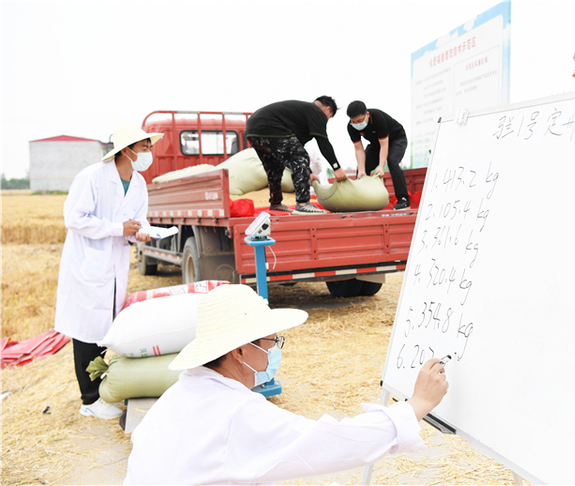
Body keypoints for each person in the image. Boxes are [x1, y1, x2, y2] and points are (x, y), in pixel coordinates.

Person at [123, 284, 449, 485]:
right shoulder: (236, 413)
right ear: (238, 351)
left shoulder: (179, 394)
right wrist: (415, 406)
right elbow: (331, 442)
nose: (272, 350)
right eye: (269, 341)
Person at [54, 124, 162, 420]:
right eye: (144, 147)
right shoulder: (92, 177)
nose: (149, 153)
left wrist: (140, 234)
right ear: (126, 150)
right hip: (88, 263)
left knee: (104, 330)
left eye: (150, 147)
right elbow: (74, 219)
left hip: (113, 265)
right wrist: (118, 229)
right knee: (87, 331)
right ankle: (89, 401)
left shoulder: (138, 183)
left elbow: (137, 221)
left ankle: (102, 391)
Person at [245, 96, 349, 214]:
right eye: (329, 117)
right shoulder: (317, 112)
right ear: (327, 109)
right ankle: (303, 203)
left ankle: (275, 202)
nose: (326, 121)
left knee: (275, 166)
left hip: (252, 130)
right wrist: (337, 168)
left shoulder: (301, 115)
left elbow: (294, 149)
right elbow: (323, 142)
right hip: (271, 127)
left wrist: (309, 172)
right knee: (301, 157)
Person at [347, 100, 411, 210]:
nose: (357, 124)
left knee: (392, 161)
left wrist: (381, 167)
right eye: (354, 121)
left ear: (367, 114)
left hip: (396, 139)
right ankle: (362, 200)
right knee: (363, 167)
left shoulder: (377, 118)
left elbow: (384, 146)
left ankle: (403, 199)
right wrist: (361, 169)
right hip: (376, 144)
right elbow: (358, 149)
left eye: (360, 120)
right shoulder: (351, 127)